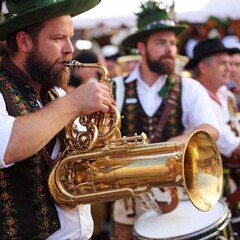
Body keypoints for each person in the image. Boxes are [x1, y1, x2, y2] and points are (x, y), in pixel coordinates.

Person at [0, 0, 114, 239]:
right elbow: (7, 147)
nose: (69, 49)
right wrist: (74, 103)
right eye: (58, 38)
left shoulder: (56, 93)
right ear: (24, 41)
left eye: (70, 37)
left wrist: (102, 133)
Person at [110, 1, 221, 239]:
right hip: (129, 200)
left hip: (177, 196)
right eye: (161, 43)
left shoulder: (189, 86)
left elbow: (211, 129)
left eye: (172, 42)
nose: (170, 49)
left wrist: (167, 146)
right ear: (141, 47)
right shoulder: (116, 87)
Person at [185, 38, 240, 236]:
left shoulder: (225, 94)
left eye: (231, 63)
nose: (229, 69)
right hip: (211, 186)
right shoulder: (197, 96)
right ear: (203, 66)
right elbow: (229, 144)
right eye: (222, 63)